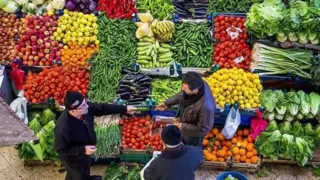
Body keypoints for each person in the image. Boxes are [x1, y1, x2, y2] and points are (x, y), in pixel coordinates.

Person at [54, 91, 136, 180]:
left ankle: (86, 177)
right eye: (83, 106)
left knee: (85, 168)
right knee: (76, 175)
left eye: (85, 102)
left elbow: (103, 108)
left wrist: (124, 109)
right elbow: (61, 150)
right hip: (73, 159)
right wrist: (82, 150)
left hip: (86, 151)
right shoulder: (62, 128)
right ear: (73, 110)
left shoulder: (85, 109)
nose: (87, 106)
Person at [156, 72, 216, 148]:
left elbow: (203, 128)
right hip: (188, 120)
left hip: (195, 134)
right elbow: (182, 93)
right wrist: (167, 104)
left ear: (195, 90)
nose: (182, 89)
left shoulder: (206, 107)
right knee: (184, 140)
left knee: (192, 147)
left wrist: (183, 126)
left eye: (185, 89)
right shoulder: (198, 83)